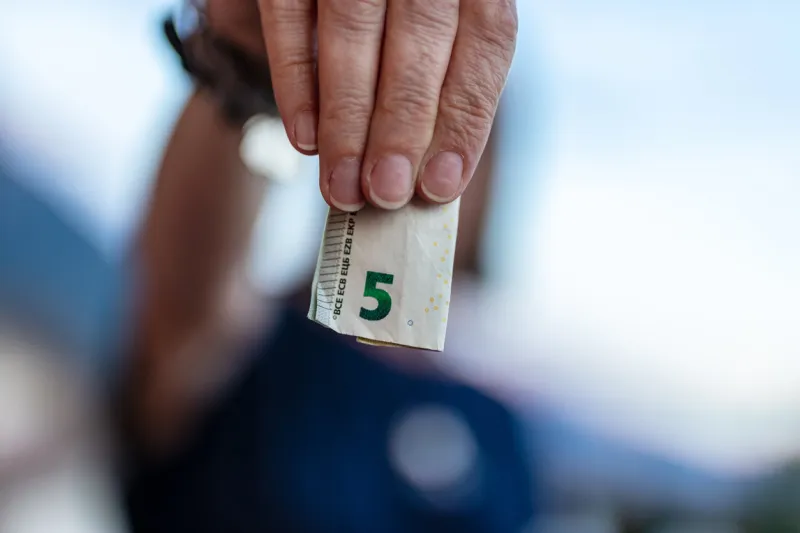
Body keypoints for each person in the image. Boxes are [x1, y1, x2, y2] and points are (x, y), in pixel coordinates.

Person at [121, 0, 533, 532]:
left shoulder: (495, 427)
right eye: (390, 111)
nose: (410, 145)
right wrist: (250, 65)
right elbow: (184, 304)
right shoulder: (259, 349)